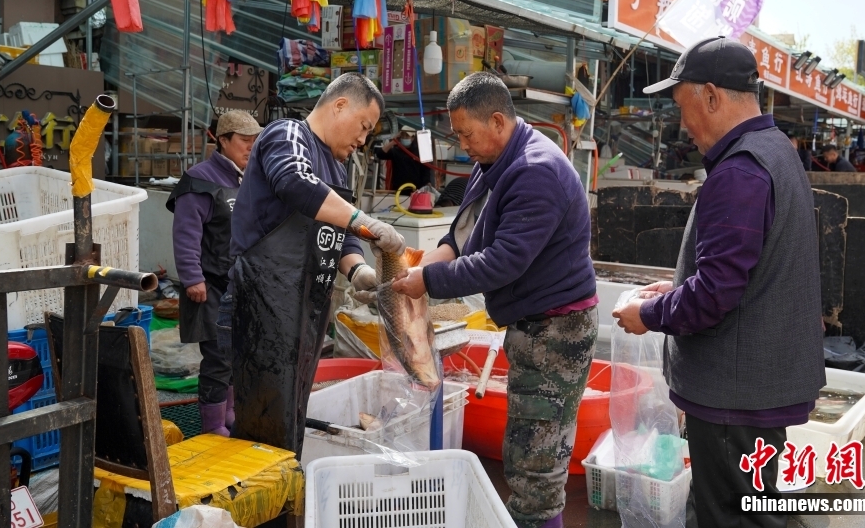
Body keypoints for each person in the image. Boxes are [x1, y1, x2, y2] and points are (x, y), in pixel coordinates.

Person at [613, 37, 825, 528]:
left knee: (729, 517)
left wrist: (647, 315)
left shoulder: (742, 170)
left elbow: (714, 294)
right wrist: (675, 289)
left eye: (683, 106)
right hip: (755, 389)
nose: (683, 124)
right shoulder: (774, 151)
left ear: (711, 96)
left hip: (736, 397)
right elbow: (741, 273)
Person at [392, 72, 598, 528]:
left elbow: (502, 262)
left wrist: (427, 281)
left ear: (499, 121)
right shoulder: (492, 164)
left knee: (536, 465)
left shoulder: (535, 170)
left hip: (557, 330)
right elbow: (462, 235)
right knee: (525, 449)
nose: (462, 143)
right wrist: (425, 265)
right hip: (530, 323)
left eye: (466, 133)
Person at [227, 72, 405, 456]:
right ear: (340, 104)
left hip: (309, 303)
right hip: (265, 298)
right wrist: (365, 221)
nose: (363, 140)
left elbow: (341, 235)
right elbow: (294, 181)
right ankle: (265, 503)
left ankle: (288, 489)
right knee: (265, 412)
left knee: (293, 407)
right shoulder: (288, 135)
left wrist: (360, 271)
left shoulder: (338, 170)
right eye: (363, 126)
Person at [167, 110, 262, 436]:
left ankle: (230, 414)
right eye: (244, 140)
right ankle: (212, 426)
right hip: (209, 285)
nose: (251, 147)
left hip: (240, 284)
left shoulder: (250, 177)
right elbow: (186, 233)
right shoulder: (199, 180)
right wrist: (192, 278)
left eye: (255, 140)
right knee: (218, 358)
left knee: (238, 354)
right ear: (222, 140)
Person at [375, 125, 432, 190]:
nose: (404, 138)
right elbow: (380, 154)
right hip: (398, 190)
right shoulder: (396, 151)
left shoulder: (420, 151)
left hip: (416, 190)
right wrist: (393, 142)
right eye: (403, 135)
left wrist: (427, 182)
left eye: (407, 136)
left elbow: (426, 170)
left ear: (413, 138)